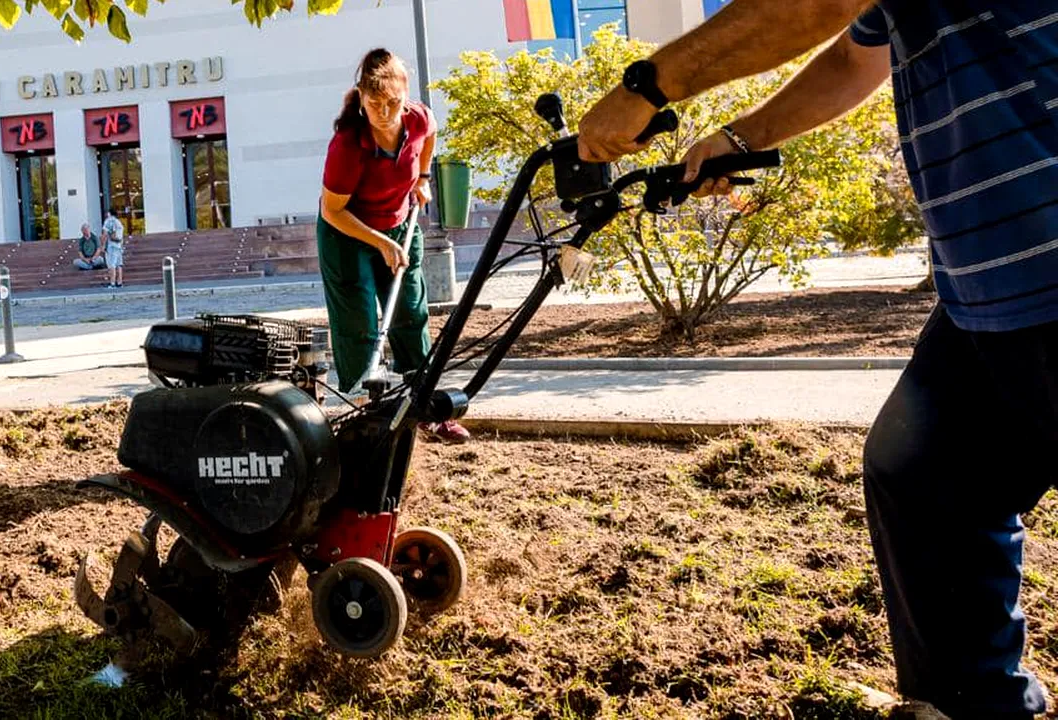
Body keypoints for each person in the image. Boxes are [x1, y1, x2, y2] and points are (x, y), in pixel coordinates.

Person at [578, 2, 1058, 717]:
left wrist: (647, 86)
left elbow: (815, 3)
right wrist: (740, 135)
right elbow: (853, 55)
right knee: (923, 478)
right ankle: (971, 704)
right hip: (991, 286)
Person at [318, 48, 470, 444]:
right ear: (361, 98)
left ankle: (423, 410)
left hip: (399, 224)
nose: (384, 112)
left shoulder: (417, 119)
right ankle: (365, 411)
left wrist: (421, 178)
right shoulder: (348, 146)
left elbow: (431, 132)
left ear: (405, 99)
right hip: (347, 234)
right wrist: (380, 243)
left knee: (410, 311)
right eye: (374, 104)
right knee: (361, 319)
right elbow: (333, 211)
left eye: (393, 103)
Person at [101, 209, 125, 288]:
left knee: (112, 264)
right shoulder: (118, 222)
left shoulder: (108, 221)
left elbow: (104, 234)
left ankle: (112, 283)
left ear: (109, 213)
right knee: (119, 264)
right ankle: (120, 282)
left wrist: (103, 245)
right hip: (119, 245)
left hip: (112, 246)